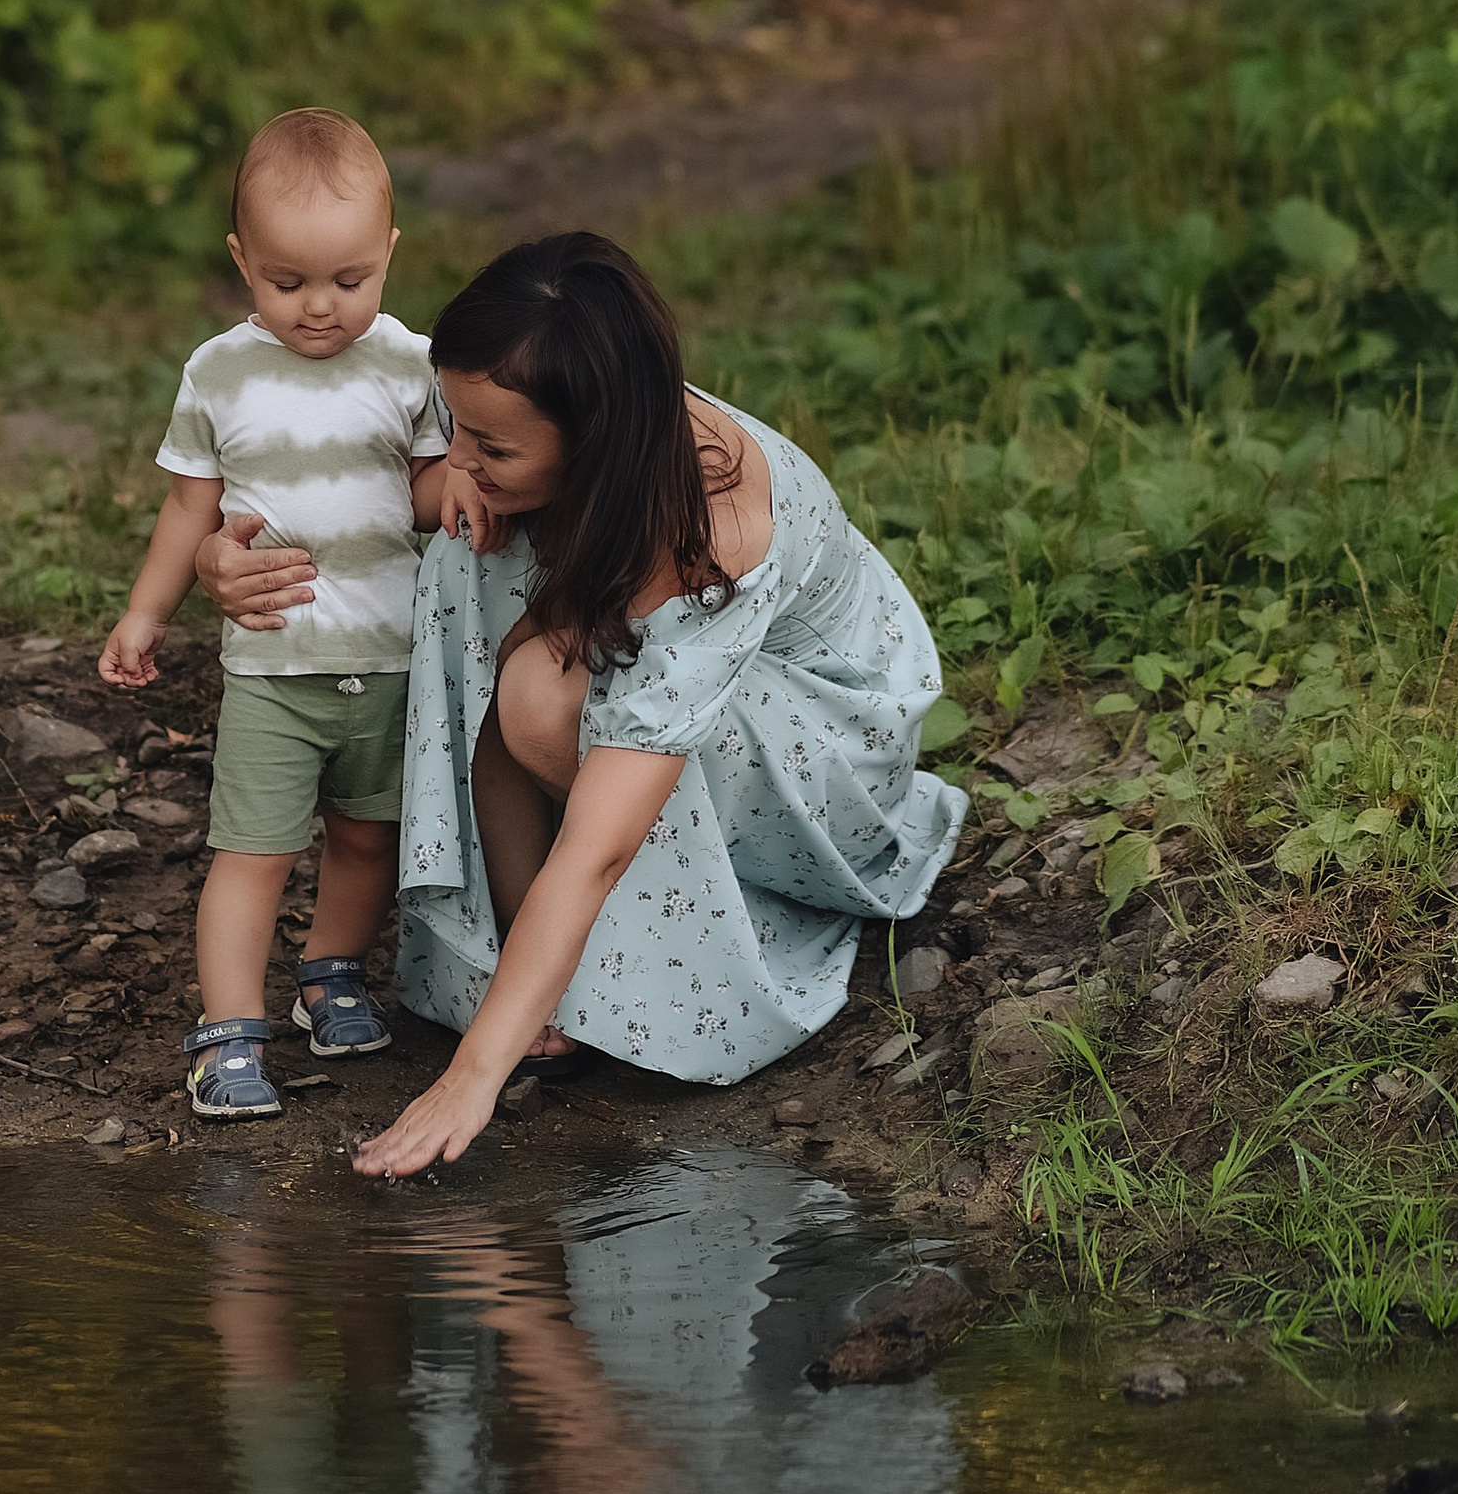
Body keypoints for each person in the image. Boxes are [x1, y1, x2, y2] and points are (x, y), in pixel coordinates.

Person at [196, 231, 963, 1177]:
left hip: (820, 734)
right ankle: (538, 969)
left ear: (592, 439)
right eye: (454, 426)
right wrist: (221, 555)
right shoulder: (563, 422)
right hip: (643, 655)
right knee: (466, 557)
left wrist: (472, 1077)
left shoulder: (709, 534)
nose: (455, 462)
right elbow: (379, 485)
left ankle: (654, 957)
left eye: (490, 447)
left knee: (541, 702)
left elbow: (599, 851)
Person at [100, 107, 451, 1119]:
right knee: (252, 849)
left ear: (388, 253)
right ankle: (227, 1032)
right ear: (240, 259)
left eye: (349, 280)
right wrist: (144, 613)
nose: (317, 308)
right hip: (271, 666)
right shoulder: (221, 370)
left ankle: (330, 972)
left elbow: (421, 494)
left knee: (366, 837)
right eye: (284, 281)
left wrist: (463, 494)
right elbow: (188, 507)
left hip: (383, 659)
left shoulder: (407, 364)